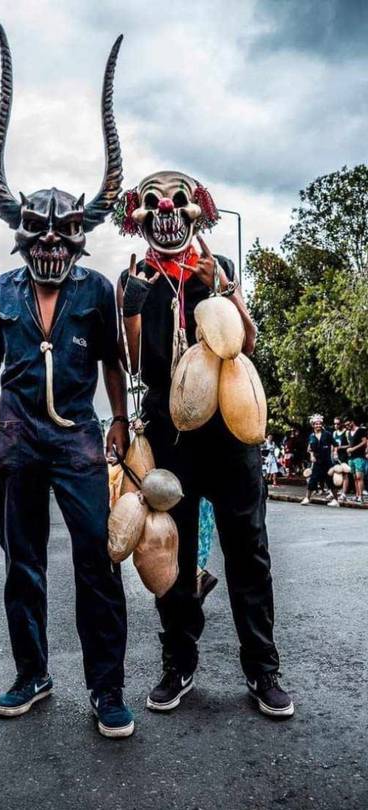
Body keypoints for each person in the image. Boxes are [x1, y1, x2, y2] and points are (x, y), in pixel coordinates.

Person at [0, 24, 135, 738]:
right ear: (22, 239)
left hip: (81, 443)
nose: (52, 245)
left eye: (65, 237)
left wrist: (121, 422)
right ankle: (32, 674)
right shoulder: (1, 290)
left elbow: (115, 361)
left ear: (81, 241)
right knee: (21, 566)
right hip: (16, 441)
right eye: (39, 237)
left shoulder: (96, 290)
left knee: (98, 565)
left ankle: (107, 690)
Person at [118, 168, 293, 717]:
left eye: (178, 200)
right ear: (137, 216)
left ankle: (263, 670)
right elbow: (132, 363)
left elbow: (248, 339)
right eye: (153, 203)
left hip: (229, 435)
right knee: (169, 549)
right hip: (171, 441)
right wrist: (132, 305)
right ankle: (180, 663)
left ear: (198, 209)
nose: (166, 211)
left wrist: (226, 286)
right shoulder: (134, 280)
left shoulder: (216, 270)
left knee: (249, 550)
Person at [303, 416, 335, 506]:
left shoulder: (327, 434)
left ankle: (336, 500)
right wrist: (312, 455)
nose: (318, 425)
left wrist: (334, 453)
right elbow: (309, 449)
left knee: (330, 481)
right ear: (313, 425)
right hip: (317, 462)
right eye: (316, 424)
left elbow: (335, 444)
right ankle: (307, 498)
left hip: (327, 461)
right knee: (312, 480)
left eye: (320, 424)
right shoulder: (311, 436)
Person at [345, 418, 366, 503]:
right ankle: (357, 495)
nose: (347, 426)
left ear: (352, 422)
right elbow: (351, 443)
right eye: (345, 425)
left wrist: (353, 449)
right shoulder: (349, 432)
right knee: (354, 478)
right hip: (351, 457)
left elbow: (364, 442)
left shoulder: (361, 430)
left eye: (348, 424)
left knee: (359, 477)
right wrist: (348, 449)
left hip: (359, 456)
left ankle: (361, 496)